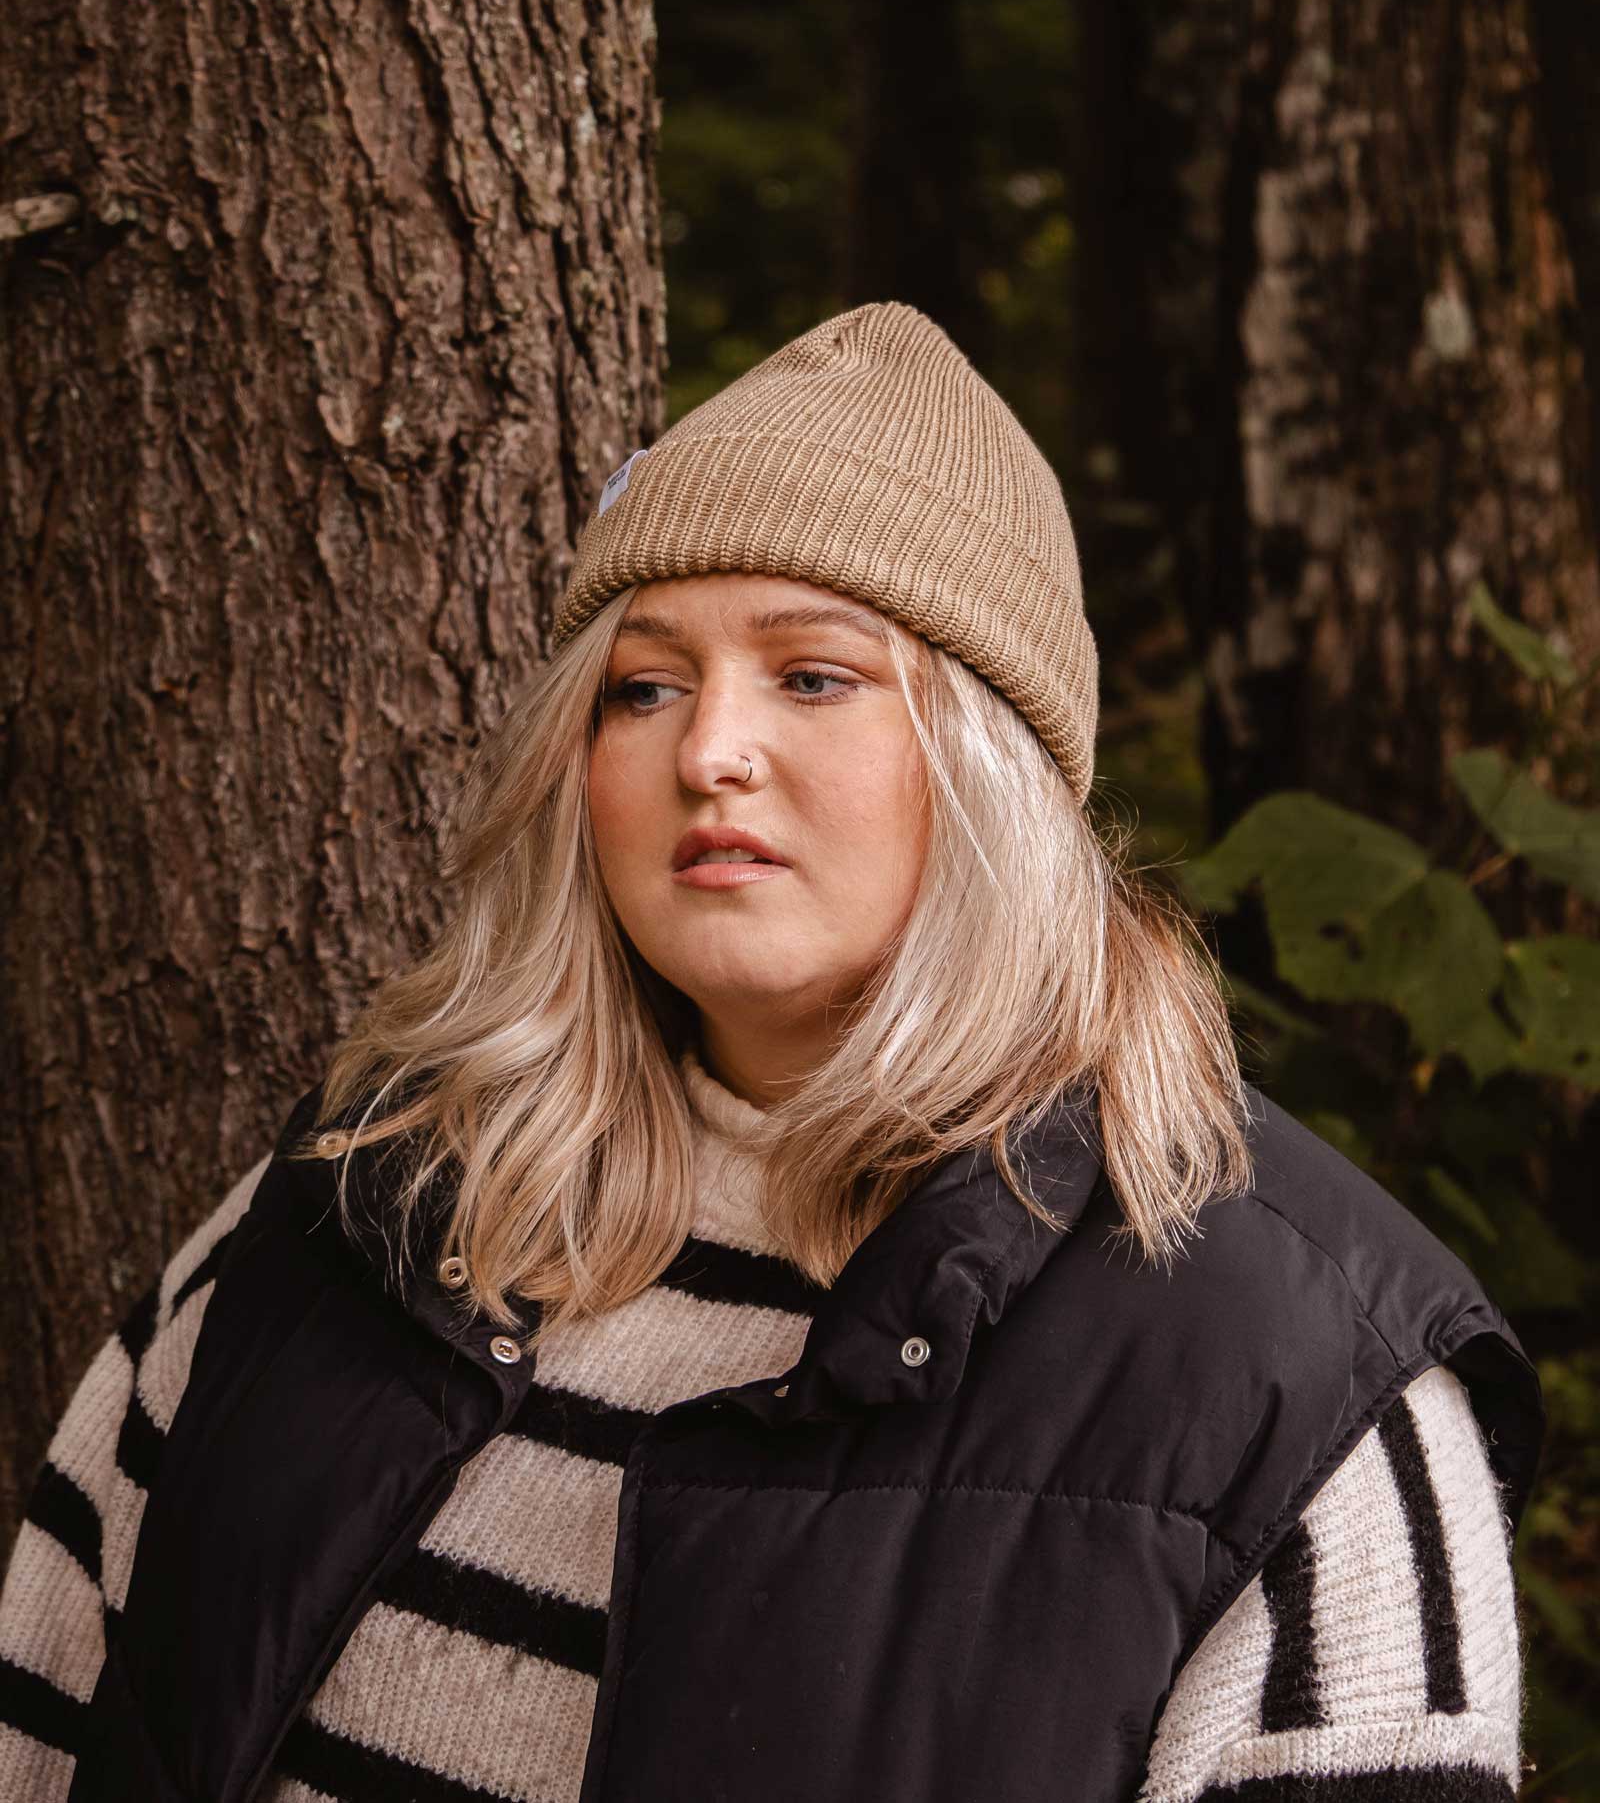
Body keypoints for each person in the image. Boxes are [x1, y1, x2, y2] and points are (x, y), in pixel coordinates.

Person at [0, 302, 1541, 1803]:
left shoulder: (1297, 1376)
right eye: (644, 683)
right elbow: (45, 1709)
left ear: (989, 765)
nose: (707, 748)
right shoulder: (358, 1199)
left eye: (812, 674)